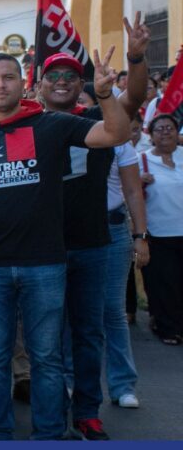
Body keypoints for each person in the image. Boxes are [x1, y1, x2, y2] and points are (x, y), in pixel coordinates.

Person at [0, 50, 128, 441]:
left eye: (8, 77)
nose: (0, 84)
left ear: (24, 84)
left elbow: (116, 134)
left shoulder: (51, 124)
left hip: (44, 264)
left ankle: (50, 435)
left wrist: (105, 96)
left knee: (47, 358)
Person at [38, 14, 150, 441]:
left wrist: (136, 57)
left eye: (71, 75)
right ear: (41, 85)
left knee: (93, 328)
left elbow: (134, 100)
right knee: (49, 331)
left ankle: (91, 407)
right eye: (54, 76)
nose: (63, 81)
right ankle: (55, 405)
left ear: (82, 83)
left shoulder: (101, 117)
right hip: (45, 244)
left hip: (99, 241)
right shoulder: (29, 122)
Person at [103, 122, 147, 409]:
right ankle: (66, 381)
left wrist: (140, 236)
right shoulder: (55, 129)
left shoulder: (118, 139)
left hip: (112, 229)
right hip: (65, 230)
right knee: (65, 312)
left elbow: (133, 191)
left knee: (113, 311)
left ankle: (123, 385)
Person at [138, 114, 183, 346]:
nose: (165, 132)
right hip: (158, 232)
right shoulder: (141, 160)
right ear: (151, 135)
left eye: (170, 128)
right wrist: (140, 181)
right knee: (165, 283)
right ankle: (168, 328)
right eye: (160, 129)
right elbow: (131, 195)